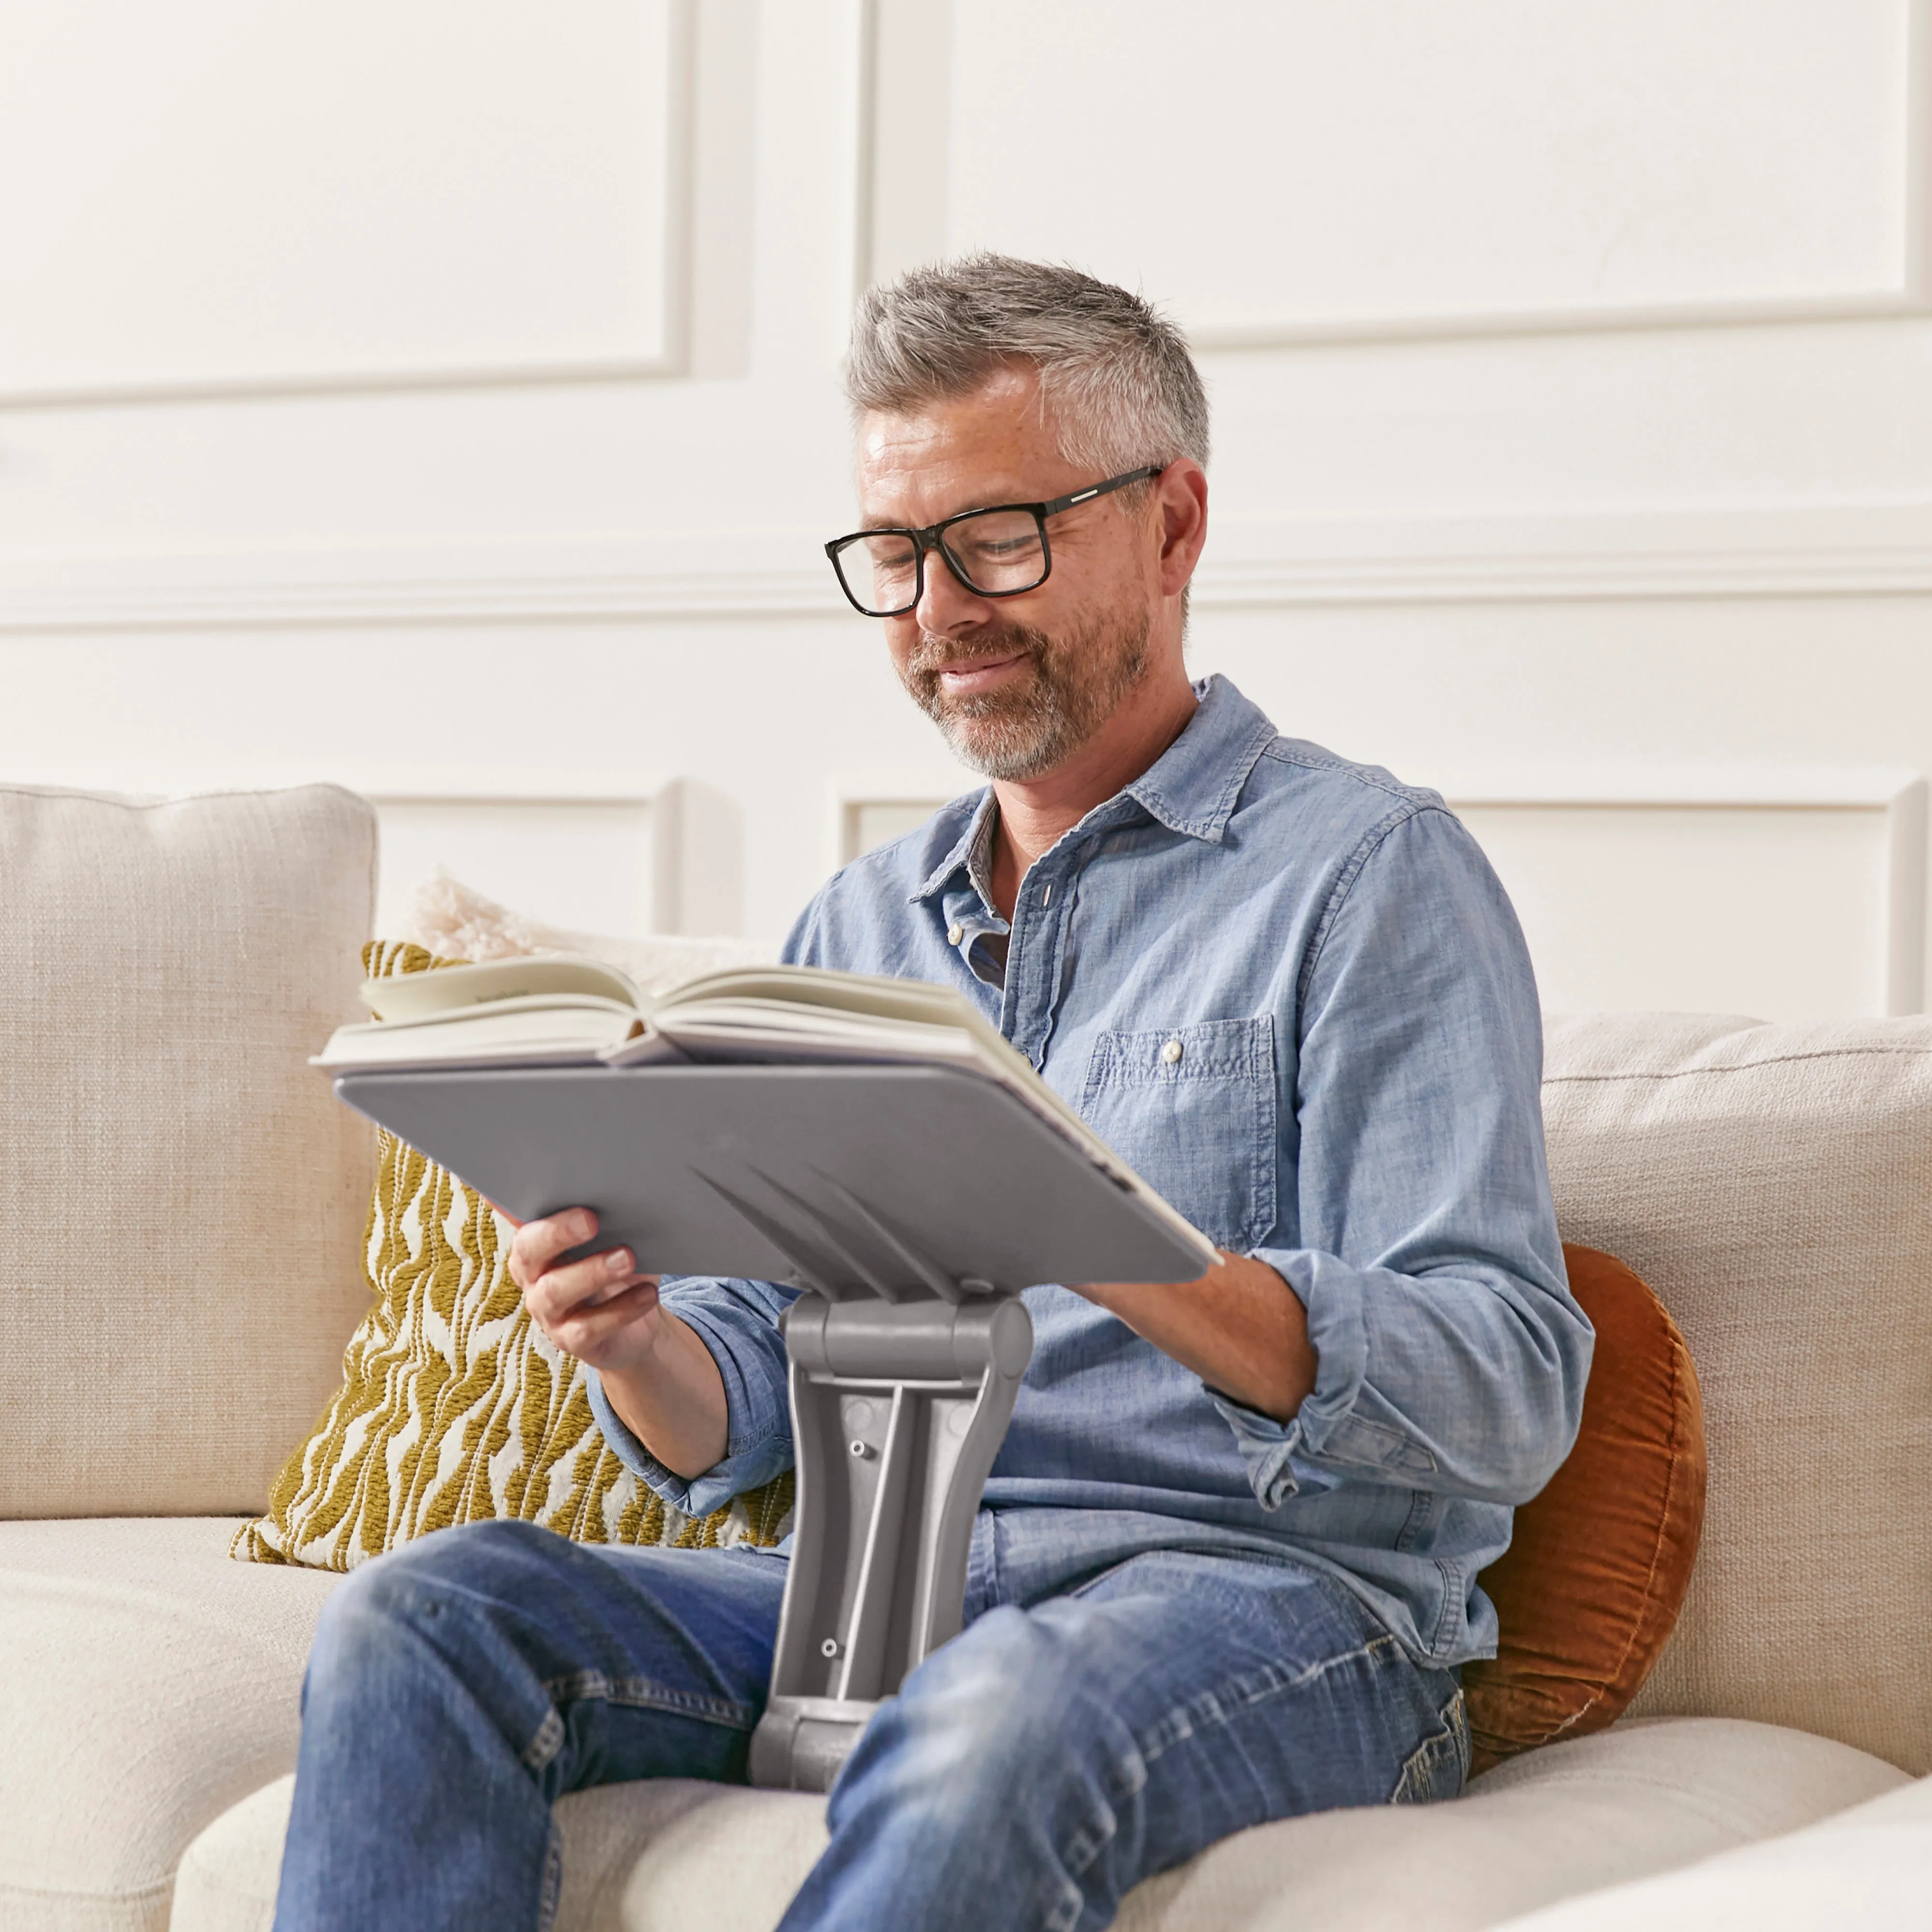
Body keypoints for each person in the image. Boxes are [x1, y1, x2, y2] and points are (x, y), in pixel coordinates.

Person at [273, 254, 1592, 1932]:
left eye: (995, 540)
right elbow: (736, 1404)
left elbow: (1510, 1381)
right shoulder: (862, 926)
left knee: (992, 1722)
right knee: (423, 1614)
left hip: (1268, 1608)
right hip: (871, 1584)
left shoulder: (1369, 878)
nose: (934, 612)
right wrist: (634, 1343)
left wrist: (1097, 1235)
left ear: (1173, 527)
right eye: (894, 555)